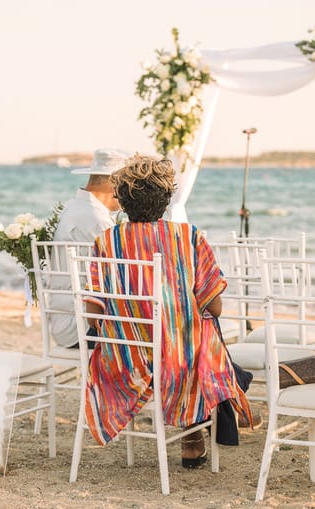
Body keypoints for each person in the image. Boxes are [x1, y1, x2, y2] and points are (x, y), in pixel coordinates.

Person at [82, 154, 254, 468]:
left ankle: (208, 416)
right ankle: (194, 435)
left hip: (122, 361)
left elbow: (94, 315)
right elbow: (214, 306)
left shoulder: (105, 242)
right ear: (165, 198)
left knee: (193, 341)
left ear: (123, 199)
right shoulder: (188, 238)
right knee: (202, 339)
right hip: (178, 363)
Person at [48, 148, 129, 349]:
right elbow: (122, 277)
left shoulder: (71, 208)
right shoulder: (96, 219)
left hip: (63, 322)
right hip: (82, 326)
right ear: (115, 182)